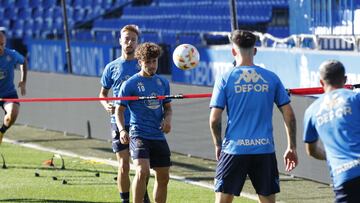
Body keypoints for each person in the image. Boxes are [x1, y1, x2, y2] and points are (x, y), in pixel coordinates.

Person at [209, 30, 298, 203]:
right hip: (264, 149)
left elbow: (214, 119)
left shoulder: (225, 78)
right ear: (255, 51)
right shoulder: (271, 78)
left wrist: (217, 144)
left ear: (233, 51)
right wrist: (291, 147)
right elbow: (290, 115)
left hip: (234, 149)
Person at [115, 42, 172, 203]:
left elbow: (168, 108)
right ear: (140, 62)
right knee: (142, 171)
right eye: (148, 62)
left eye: (154, 61)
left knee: (163, 177)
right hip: (139, 134)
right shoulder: (130, 84)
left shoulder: (163, 83)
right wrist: (122, 130)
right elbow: (119, 110)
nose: (152, 65)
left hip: (158, 136)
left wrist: (167, 120)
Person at [99, 24, 149, 203]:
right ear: (120, 41)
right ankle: (125, 200)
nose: (129, 43)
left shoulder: (142, 66)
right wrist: (106, 105)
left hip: (140, 121)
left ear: (137, 43)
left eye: (133, 40)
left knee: (142, 166)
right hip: (119, 121)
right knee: (124, 165)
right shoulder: (111, 67)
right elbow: (102, 94)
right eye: (126, 39)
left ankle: (143, 197)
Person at [303, 60, 360, 203]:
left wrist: (333, 156)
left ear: (321, 82)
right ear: (345, 79)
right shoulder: (355, 98)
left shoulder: (311, 111)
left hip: (344, 177)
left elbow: (312, 151)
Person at [0, 31, 27, 145]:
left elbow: (23, 62)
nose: (0, 47)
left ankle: (1, 133)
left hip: (8, 93)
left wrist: (23, 80)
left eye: (2, 44)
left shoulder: (11, 55)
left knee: (13, 113)